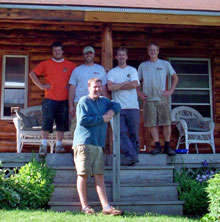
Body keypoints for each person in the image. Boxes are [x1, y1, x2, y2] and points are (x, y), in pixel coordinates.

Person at [73, 78, 123, 215]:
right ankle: (85, 207)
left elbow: (117, 105)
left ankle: (106, 208)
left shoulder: (103, 101)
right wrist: (102, 118)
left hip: (98, 144)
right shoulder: (84, 101)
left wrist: (111, 112)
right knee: (82, 175)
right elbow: (83, 120)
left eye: (99, 87)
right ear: (89, 87)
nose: (97, 89)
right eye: (95, 87)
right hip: (84, 142)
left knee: (99, 175)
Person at [29, 41, 76, 157]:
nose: (57, 52)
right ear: (52, 52)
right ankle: (43, 145)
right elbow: (32, 73)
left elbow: (76, 78)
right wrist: (41, 86)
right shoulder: (46, 64)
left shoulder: (70, 65)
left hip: (64, 99)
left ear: (62, 51)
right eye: (55, 50)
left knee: (61, 123)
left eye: (59, 50)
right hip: (49, 98)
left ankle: (58, 145)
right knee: (47, 122)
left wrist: (69, 85)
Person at [138, 43, 178, 156]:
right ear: (148, 51)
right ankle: (157, 146)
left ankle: (167, 146)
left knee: (166, 123)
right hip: (149, 99)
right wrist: (139, 93)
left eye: (155, 50)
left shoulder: (165, 64)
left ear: (158, 51)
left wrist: (171, 91)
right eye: (150, 50)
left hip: (162, 98)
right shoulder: (143, 65)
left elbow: (175, 77)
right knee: (152, 124)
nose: (153, 52)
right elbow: (137, 81)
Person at [107, 47, 140, 166]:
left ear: (126, 57)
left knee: (134, 133)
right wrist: (125, 83)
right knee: (120, 132)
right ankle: (131, 155)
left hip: (133, 107)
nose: (121, 57)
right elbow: (110, 87)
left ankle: (133, 158)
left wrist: (118, 85)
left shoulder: (132, 70)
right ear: (116, 57)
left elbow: (134, 84)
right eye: (119, 55)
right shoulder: (112, 72)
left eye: (123, 55)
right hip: (118, 107)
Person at [68, 46, 108, 134]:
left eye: (90, 53)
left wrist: (106, 104)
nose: (89, 55)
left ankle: (96, 147)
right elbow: (72, 88)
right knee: (77, 126)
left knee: (96, 126)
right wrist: (71, 106)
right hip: (79, 102)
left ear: (94, 55)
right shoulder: (77, 70)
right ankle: (76, 147)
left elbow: (104, 87)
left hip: (96, 102)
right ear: (83, 55)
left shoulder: (100, 69)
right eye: (86, 53)